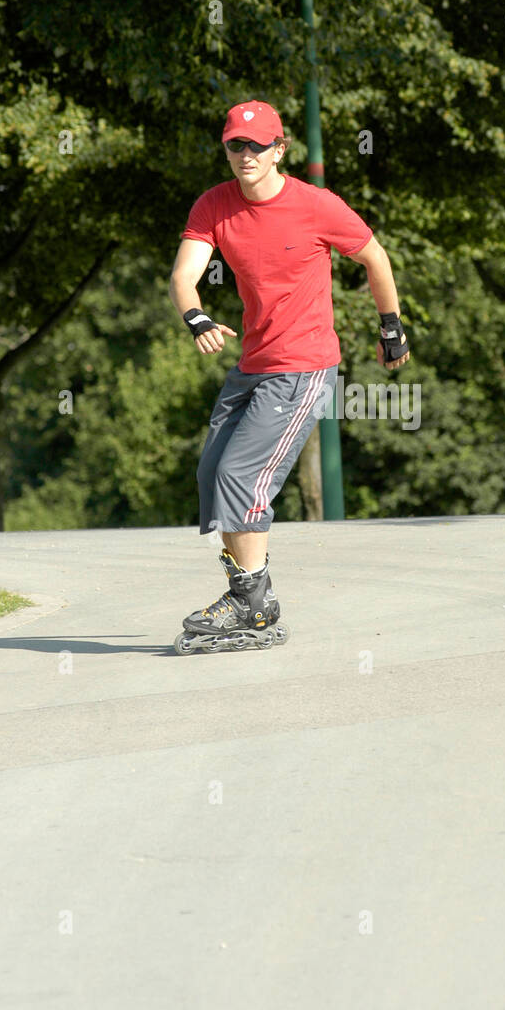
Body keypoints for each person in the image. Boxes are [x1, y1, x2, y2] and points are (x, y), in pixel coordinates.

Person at [168, 99, 410, 653]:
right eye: (236, 145)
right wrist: (195, 315)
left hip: (303, 366)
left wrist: (391, 326)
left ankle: (251, 605)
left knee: (241, 477)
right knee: (213, 473)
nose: (245, 155)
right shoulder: (214, 205)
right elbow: (184, 275)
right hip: (253, 363)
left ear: (280, 150)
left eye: (257, 146)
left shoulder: (316, 206)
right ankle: (251, 599)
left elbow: (375, 257)